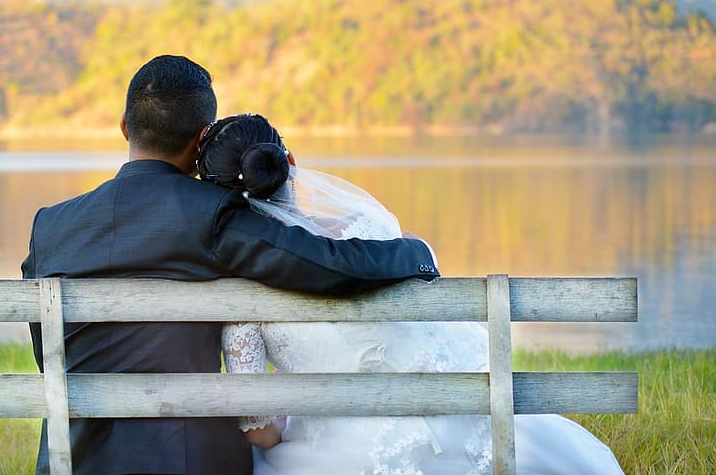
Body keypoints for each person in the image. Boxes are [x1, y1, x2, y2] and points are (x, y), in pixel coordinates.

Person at [20, 55, 439, 475]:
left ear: (125, 127)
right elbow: (331, 267)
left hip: (72, 457)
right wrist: (416, 254)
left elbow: (49, 355)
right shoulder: (211, 214)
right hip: (187, 460)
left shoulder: (50, 226)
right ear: (203, 138)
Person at [198, 113, 627, 475]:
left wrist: (289, 412)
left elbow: (259, 430)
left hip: (343, 455)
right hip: (462, 420)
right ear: (290, 162)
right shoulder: (372, 230)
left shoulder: (241, 293)